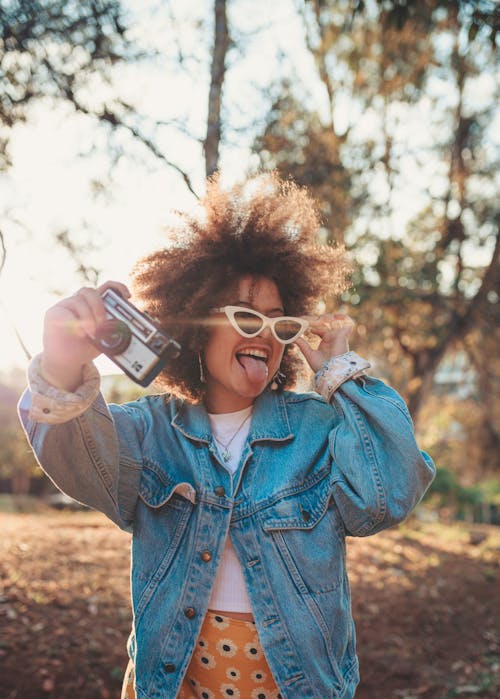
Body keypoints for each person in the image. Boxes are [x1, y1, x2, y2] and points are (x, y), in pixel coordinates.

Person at [18, 173, 435, 699]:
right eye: (243, 315)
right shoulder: (150, 432)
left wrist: (340, 375)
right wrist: (59, 366)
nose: (264, 333)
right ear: (197, 325)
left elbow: (387, 495)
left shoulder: (318, 428)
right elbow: (75, 460)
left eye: (279, 324)